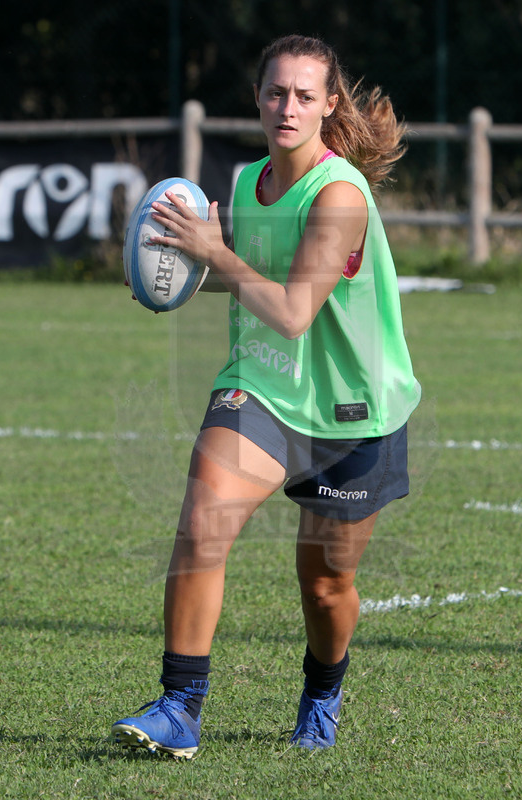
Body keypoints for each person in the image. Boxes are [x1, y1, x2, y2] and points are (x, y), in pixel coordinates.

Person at [112, 34, 421, 758]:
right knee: (202, 523)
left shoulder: (341, 194)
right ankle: (179, 706)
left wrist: (212, 251)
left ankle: (323, 690)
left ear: (328, 105)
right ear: (257, 97)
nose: (287, 107)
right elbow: (255, 277)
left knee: (325, 587)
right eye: (276, 93)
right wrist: (179, 266)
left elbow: (291, 309)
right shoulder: (250, 182)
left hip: (355, 410)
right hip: (263, 387)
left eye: (304, 96)